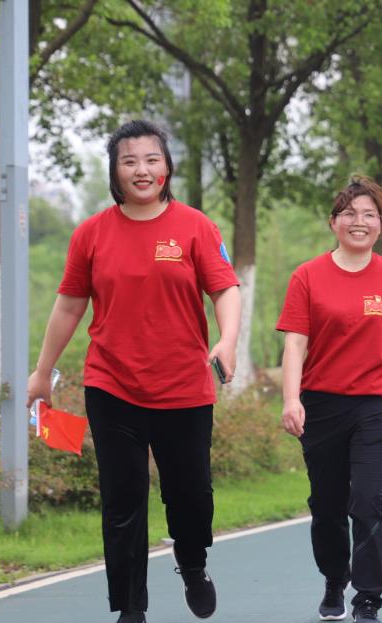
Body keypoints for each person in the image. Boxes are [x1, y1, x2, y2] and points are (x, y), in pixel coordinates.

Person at [26, 120, 240, 623]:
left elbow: (225, 289)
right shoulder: (91, 233)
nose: (141, 170)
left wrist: (227, 340)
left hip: (184, 387)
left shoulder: (196, 227)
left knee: (191, 496)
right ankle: (129, 608)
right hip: (112, 385)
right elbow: (69, 306)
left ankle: (192, 562)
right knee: (123, 503)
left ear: (167, 167)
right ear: (115, 172)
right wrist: (41, 371)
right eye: (129, 161)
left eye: (151, 159)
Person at [277, 176, 382, 623]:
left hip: (380, 403)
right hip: (322, 404)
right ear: (334, 222)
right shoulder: (307, 276)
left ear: (381, 225)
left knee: (368, 500)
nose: (359, 221)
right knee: (327, 506)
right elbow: (295, 343)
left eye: (369, 214)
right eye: (349, 213)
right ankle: (334, 577)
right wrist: (291, 399)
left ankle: (367, 599)